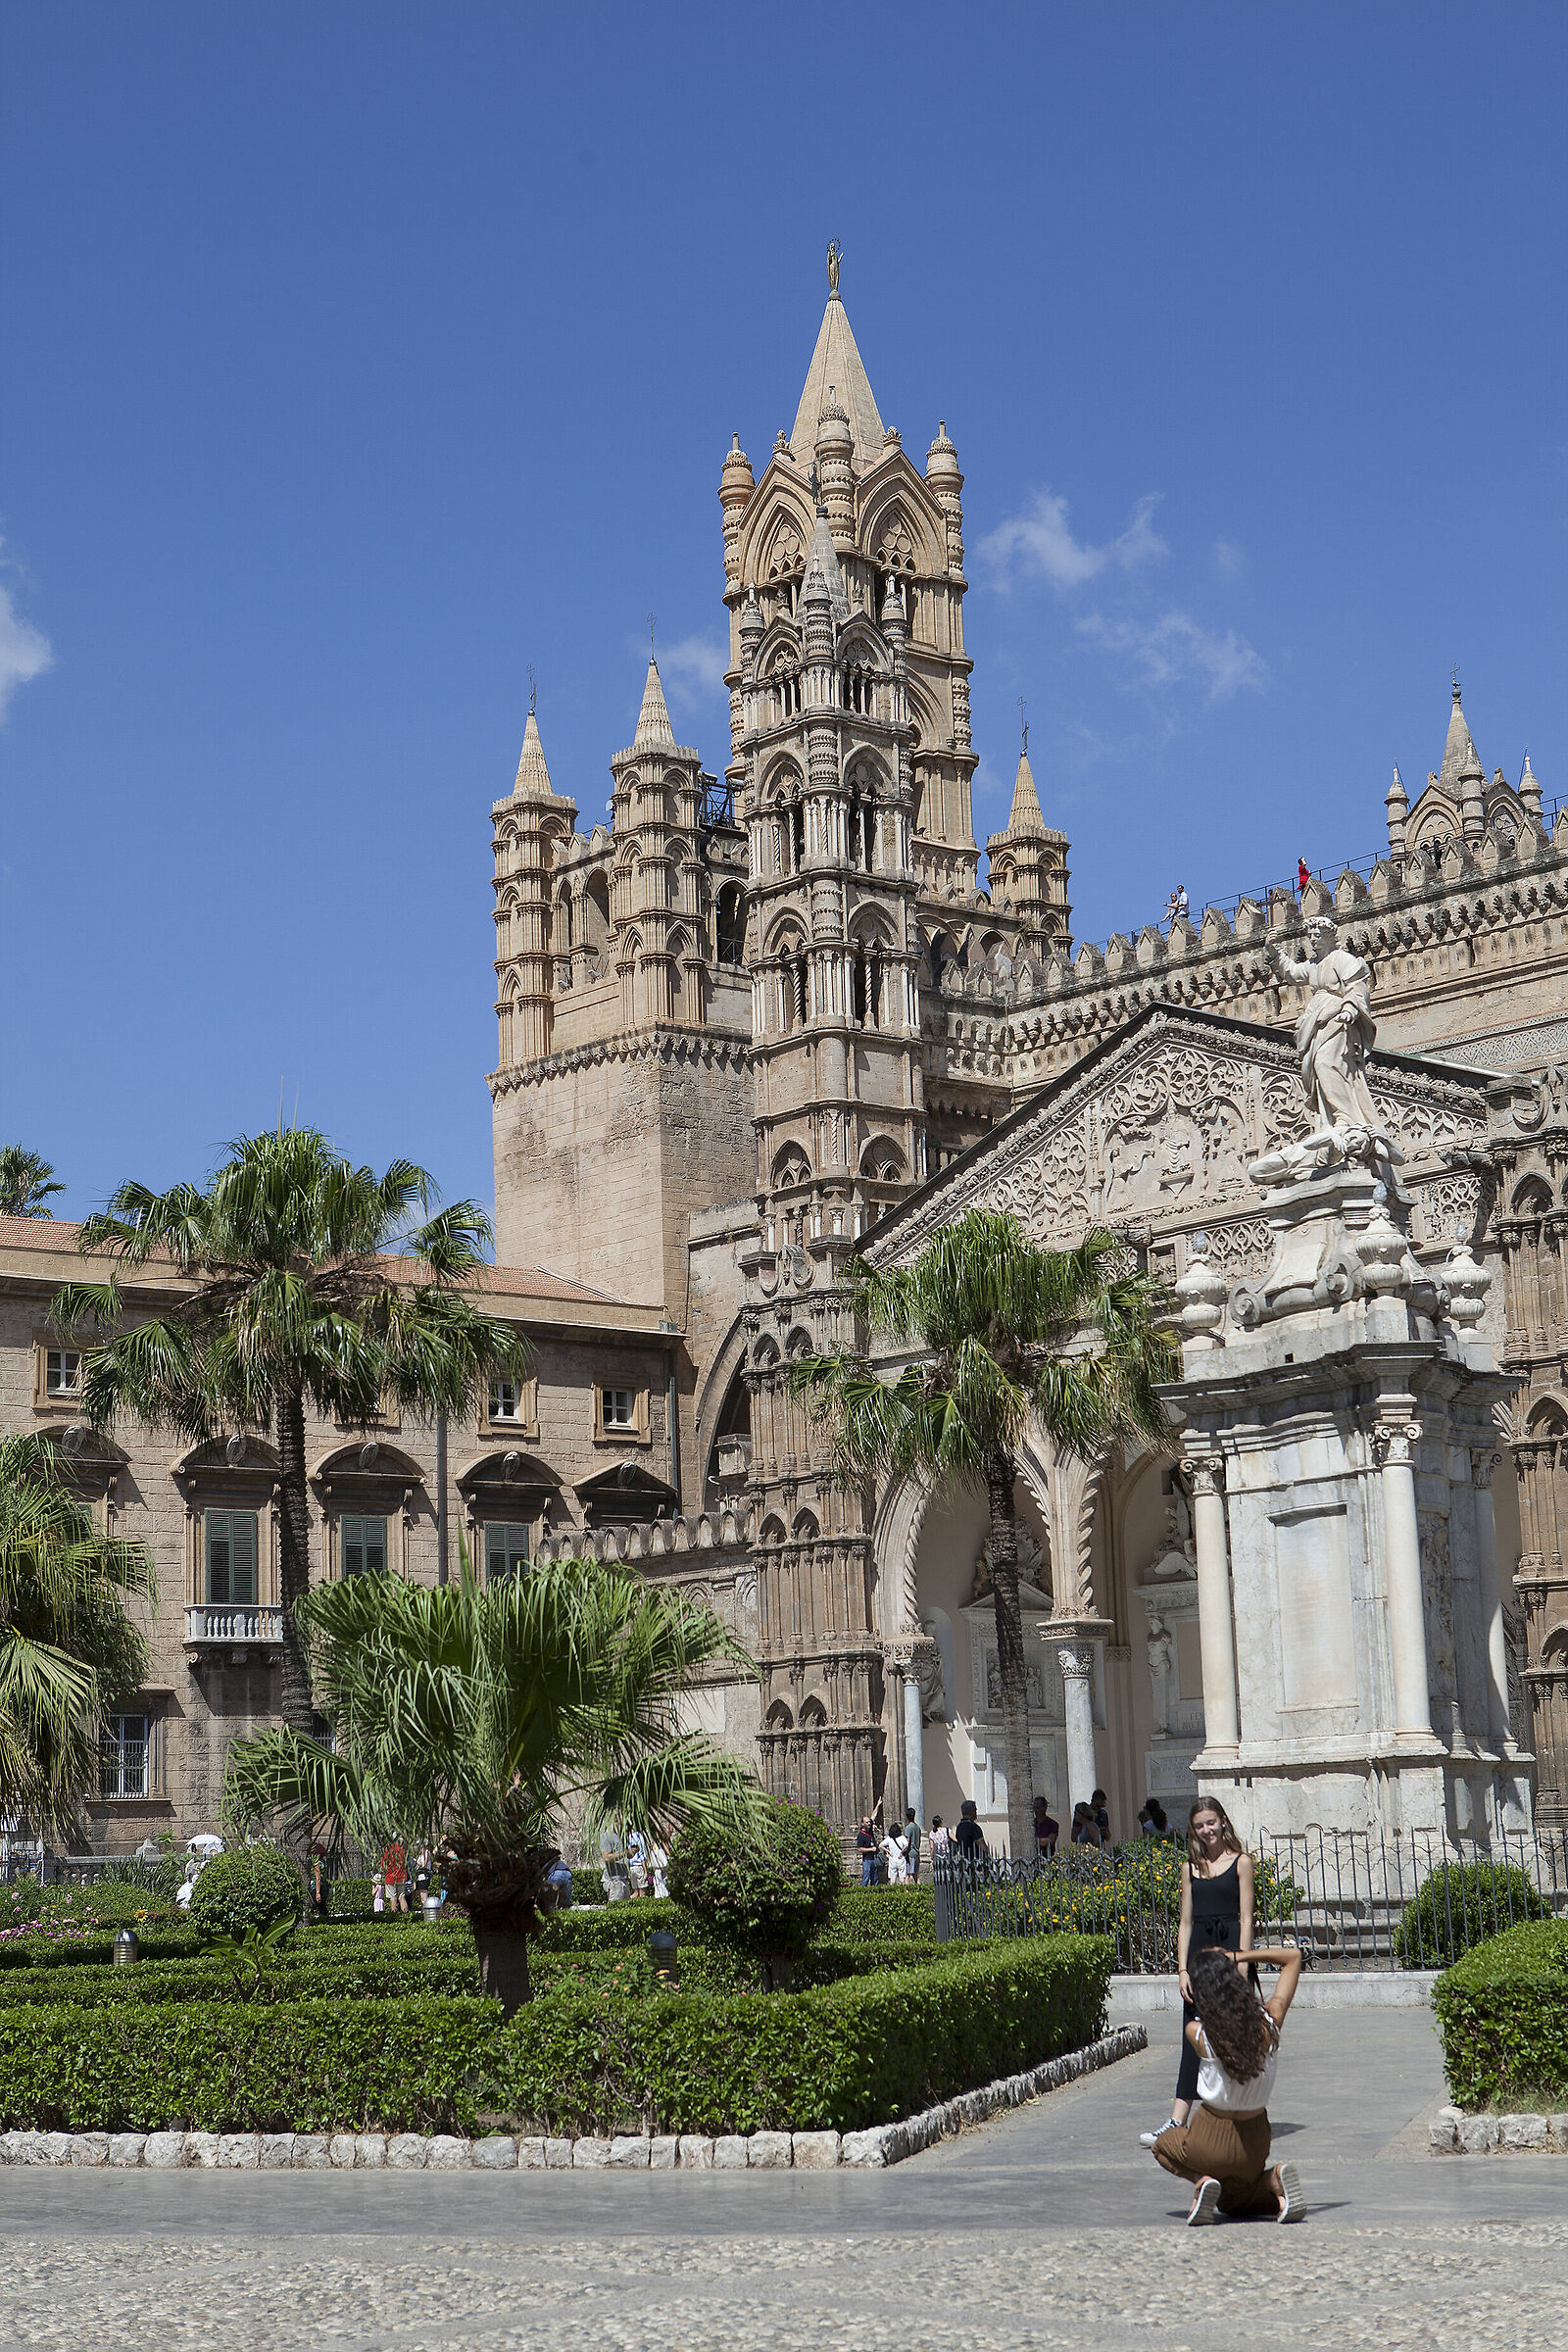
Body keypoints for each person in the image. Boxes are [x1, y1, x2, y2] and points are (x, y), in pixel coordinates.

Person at [1150, 1943, 1304, 2224]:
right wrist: (1236, 1957)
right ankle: (1273, 2181)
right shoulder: (1270, 2023)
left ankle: (1202, 2180)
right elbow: (1292, 1957)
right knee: (1235, 2200)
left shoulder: (1197, 2034)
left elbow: (1216, 2025)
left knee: (1161, 2144)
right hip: (1255, 2140)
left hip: (1208, 2137)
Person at [1141, 1797, 1256, 2146]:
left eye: (1211, 1822)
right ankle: (1178, 2119)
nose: (1207, 1830)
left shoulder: (1242, 1862)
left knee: (1231, 2035)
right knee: (1191, 2036)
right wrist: (1181, 1970)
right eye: (1200, 1825)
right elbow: (1185, 1921)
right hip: (1197, 1957)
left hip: (1230, 1951)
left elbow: (1247, 1917)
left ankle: (1233, 2115)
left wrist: (1244, 1963)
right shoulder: (1189, 1867)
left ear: (1222, 1821)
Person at [953, 1798, 987, 1863]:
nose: (976, 1812)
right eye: (975, 1810)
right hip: (976, 1862)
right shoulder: (973, 1827)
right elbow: (982, 1846)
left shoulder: (959, 1827)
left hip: (965, 1862)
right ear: (971, 1811)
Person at [380, 1839, 409, 1914]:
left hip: (390, 1877)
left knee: (393, 1897)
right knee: (402, 1897)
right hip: (401, 1877)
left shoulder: (387, 1850)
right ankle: (406, 1915)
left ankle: (394, 1916)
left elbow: (383, 1865)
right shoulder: (401, 1849)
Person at [856, 1815, 879, 1888]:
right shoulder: (861, 1835)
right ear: (862, 1824)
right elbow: (860, 1849)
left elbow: (873, 1816)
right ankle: (862, 1891)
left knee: (875, 1878)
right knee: (866, 1877)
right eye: (867, 1822)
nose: (869, 1823)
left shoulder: (870, 1831)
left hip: (873, 1858)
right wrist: (871, 1849)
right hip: (867, 1859)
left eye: (869, 1822)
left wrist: (878, 1804)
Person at [902, 1807, 923, 1885]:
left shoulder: (908, 1828)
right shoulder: (918, 1828)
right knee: (916, 1875)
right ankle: (920, 1889)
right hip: (916, 1852)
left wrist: (902, 1851)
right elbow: (919, 1841)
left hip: (910, 1853)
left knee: (907, 1874)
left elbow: (907, 1842)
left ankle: (907, 1892)